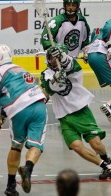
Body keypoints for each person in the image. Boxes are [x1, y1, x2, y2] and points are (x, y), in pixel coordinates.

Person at [40, 43, 111, 180]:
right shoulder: (46, 74)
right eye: (51, 57)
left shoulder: (73, 67)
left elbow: (71, 65)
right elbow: (50, 88)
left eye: (56, 58)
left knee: (95, 144)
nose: (53, 60)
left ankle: (106, 159)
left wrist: (63, 58)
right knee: (76, 146)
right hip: (64, 116)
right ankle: (105, 166)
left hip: (81, 111)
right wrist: (56, 80)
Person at [0, 44, 47, 196]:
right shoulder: (21, 69)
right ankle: (28, 168)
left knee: (16, 146)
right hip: (39, 105)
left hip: (19, 110)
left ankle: (11, 186)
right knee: (36, 145)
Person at [83, 19, 111, 122]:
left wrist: (86, 55)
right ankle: (109, 105)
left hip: (92, 56)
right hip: (101, 56)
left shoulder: (97, 31)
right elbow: (109, 26)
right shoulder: (108, 28)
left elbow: (87, 47)